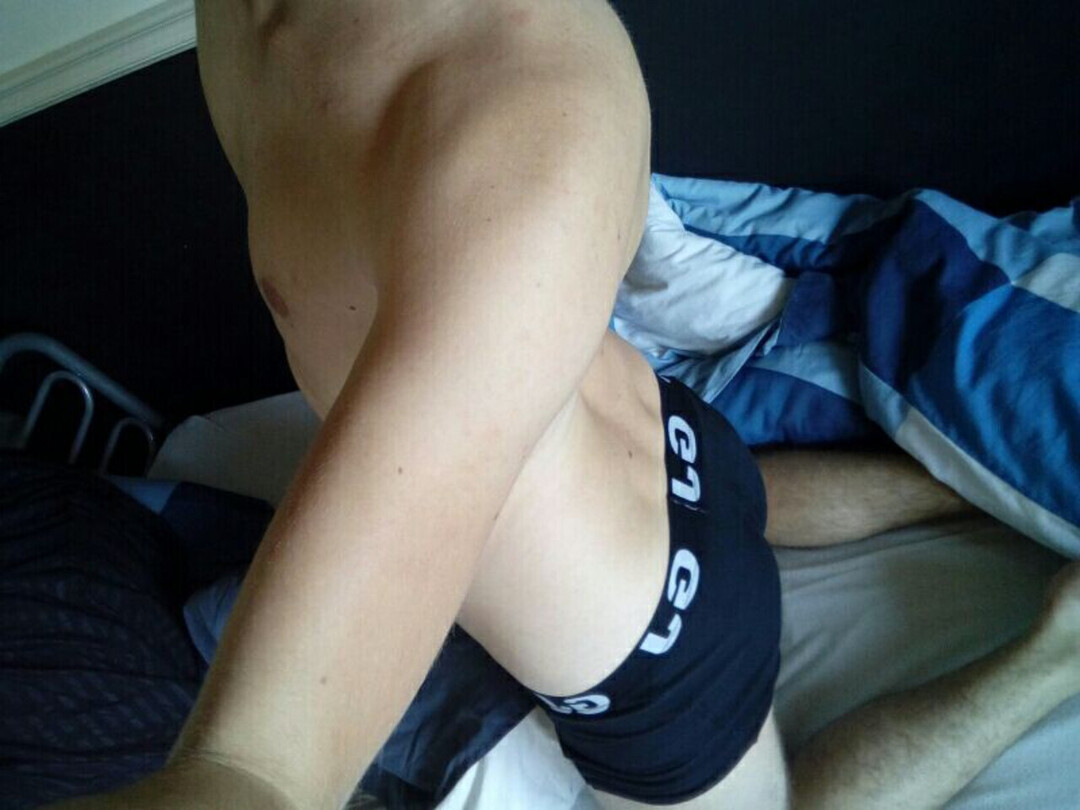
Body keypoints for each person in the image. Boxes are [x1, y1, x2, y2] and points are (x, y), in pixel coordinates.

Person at [47, 1, 1080, 808]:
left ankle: (1051, 656)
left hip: (656, 652)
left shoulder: (514, 105)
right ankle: (953, 495)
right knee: (727, 507)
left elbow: (257, 770)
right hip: (674, 451)